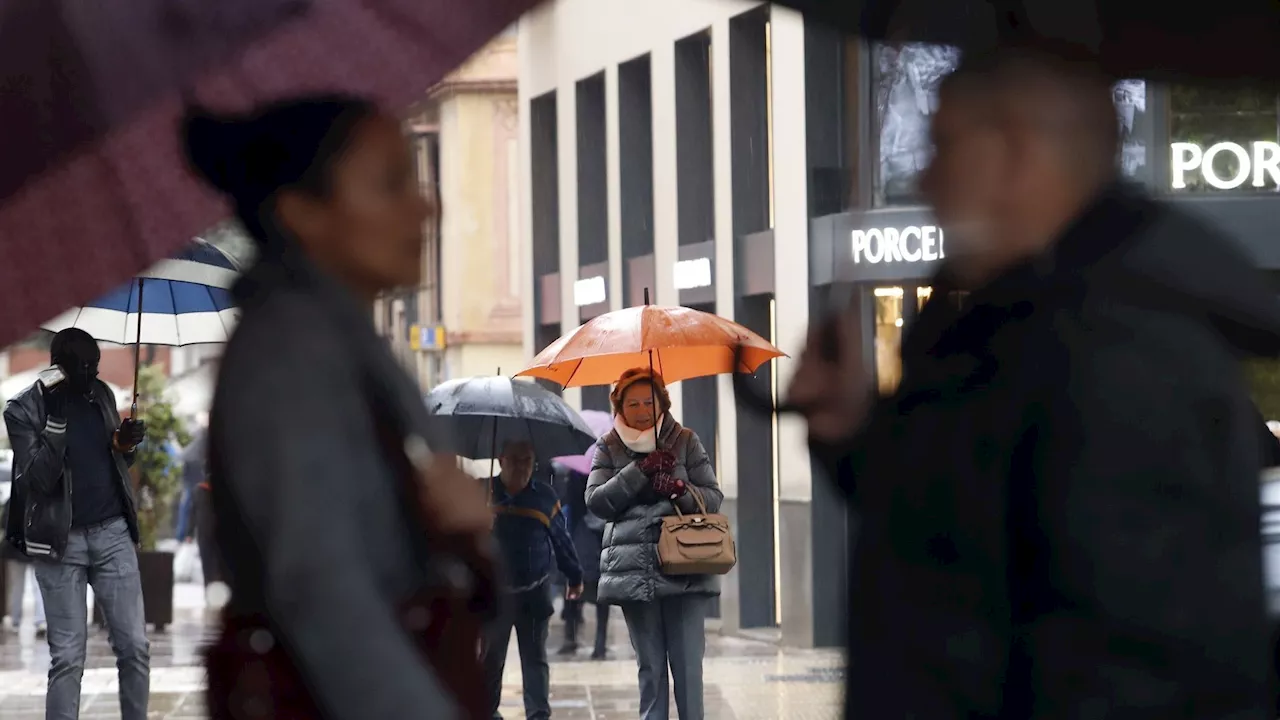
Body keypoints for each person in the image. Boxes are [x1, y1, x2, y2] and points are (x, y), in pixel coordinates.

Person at [787, 45, 1280, 718]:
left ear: (1015, 152)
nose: (924, 179)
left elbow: (1131, 671)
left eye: (941, 146)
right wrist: (849, 433)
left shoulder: (1118, 353)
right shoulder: (1017, 328)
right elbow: (963, 536)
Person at [183, 96, 493, 719]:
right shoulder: (293, 353)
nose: (425, 204)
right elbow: (321, 588)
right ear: (303, 213)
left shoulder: (334, 342)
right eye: (391, 184)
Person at [2, 327, 149, 720]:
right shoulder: (22, 409)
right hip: (58, 544)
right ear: (59, 365)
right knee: (67, 657)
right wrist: (54, 420)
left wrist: (125, 442)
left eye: (95, 366)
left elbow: (112, 460)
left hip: (112, 532)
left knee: (135, 646)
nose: (92, 374)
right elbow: (38, 479)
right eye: (83, 367)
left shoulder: (100, 394)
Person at [586, 368, 723, 720]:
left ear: (662, 402)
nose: (642, 410)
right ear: (620, 407)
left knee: (689, 671)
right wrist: (639, 471)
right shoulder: (608, 446)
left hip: (685, 569)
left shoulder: (685, 440)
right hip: (635, 574)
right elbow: (597, 502)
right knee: (651, 672)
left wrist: (677, 490)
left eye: (649, 401)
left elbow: (713, 496)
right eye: (633, 403)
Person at [483, 441, 583, 719]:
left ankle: (538, 714)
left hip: (534, 593)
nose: (522, 467)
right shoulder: (481, 492)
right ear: (500, 460)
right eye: (515, 460)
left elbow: (561, 541)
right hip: (493, 595)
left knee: (535, 659)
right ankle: (487, 711)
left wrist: (574, 576)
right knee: (491, 659)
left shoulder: (544, 497)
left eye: (527, 461)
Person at [553, 460, 610, 659]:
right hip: (604, 536)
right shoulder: (608, 469)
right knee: (601, 592)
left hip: (583, 535)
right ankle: (599, 643)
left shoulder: (577, 472)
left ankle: (571, 636)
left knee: (576, 582)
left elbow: (572, 503)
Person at [2, 498, 45, 637]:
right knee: (38, 586)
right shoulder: (40, 499)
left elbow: (5, 524)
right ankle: (41, 621)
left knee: (16, 587)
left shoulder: (12, 501)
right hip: (36, 549)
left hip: (15, 549)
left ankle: (15, 620)